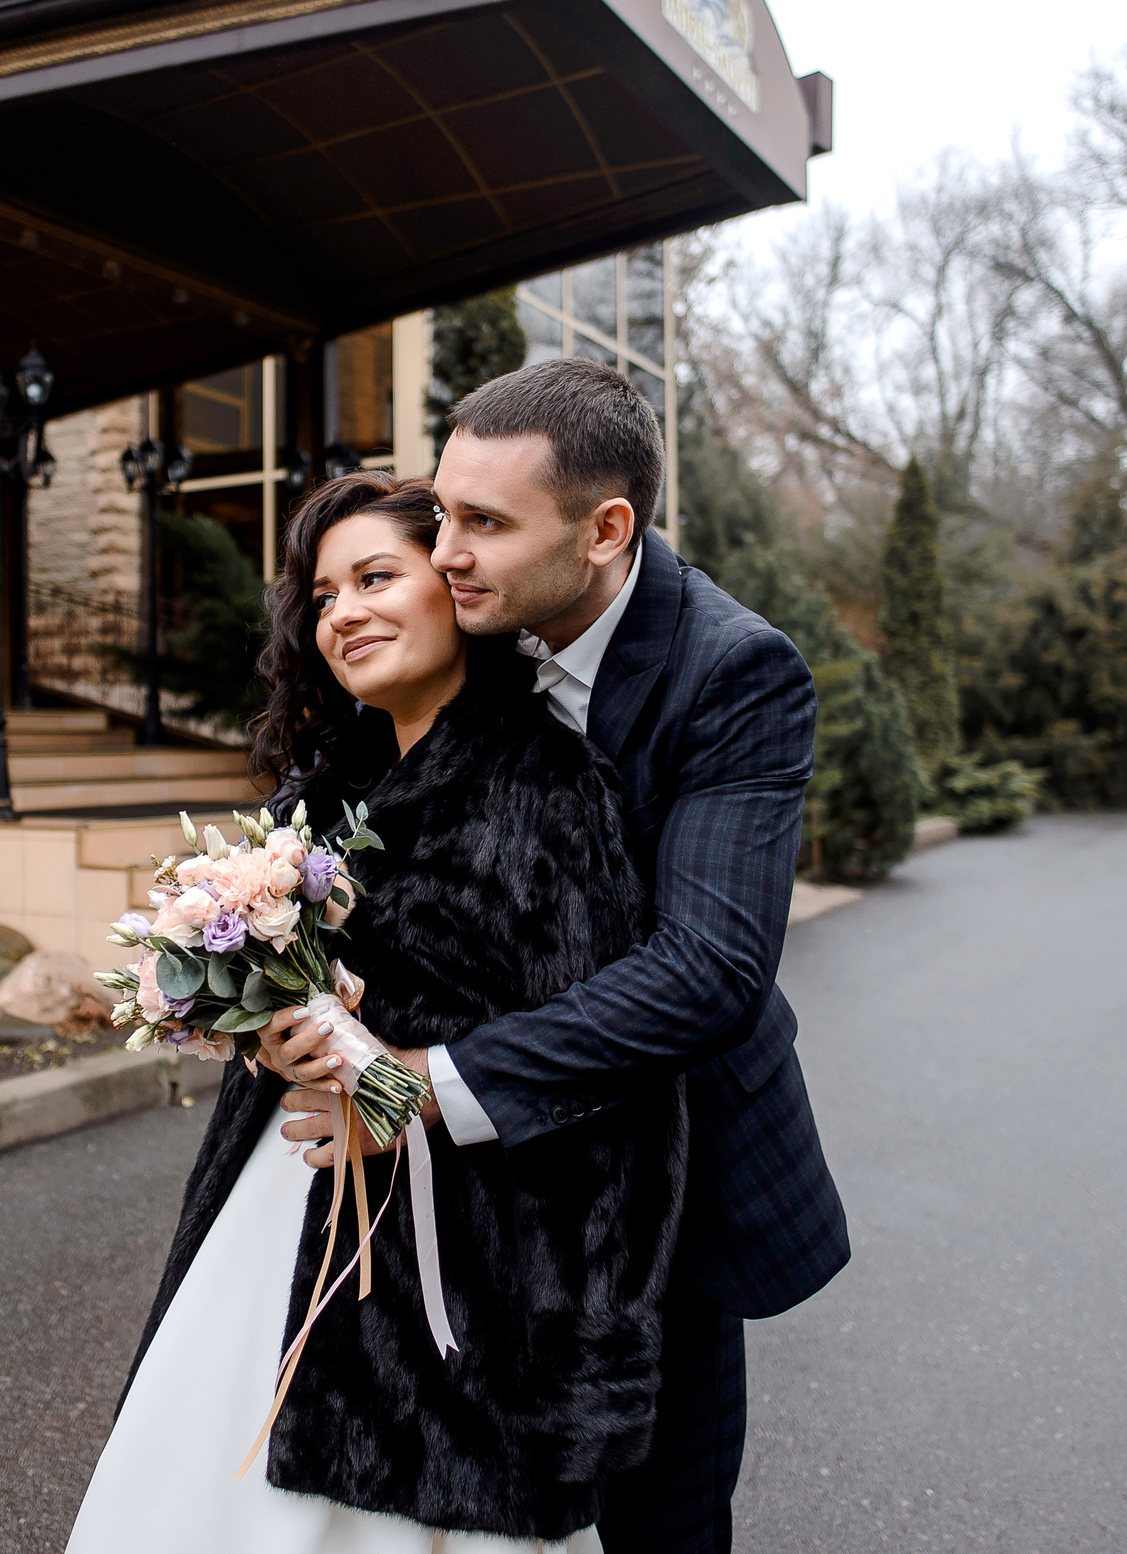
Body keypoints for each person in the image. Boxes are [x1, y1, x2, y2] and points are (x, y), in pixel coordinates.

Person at [265, 357, 849, 1553]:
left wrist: (420, 1083)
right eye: (443, 511)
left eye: (482, 522)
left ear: (604, 530)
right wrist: (292, 976)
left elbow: (707, 968)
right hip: (455, 1189)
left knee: (660, 1516)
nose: (446, 554)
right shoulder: (462, 624)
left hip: (661, 1160)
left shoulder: (732, 672)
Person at [67, 472, 687, 1552]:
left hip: (455, 1268)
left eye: (374, 576)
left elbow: (594, 1069)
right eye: (322, 595)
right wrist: (263, 1021)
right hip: (281, 1199)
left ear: (455, 585)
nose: (342, 610)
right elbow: (289, 994)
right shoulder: (318, 792)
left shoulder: (548, 787)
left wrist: (392, 1077)